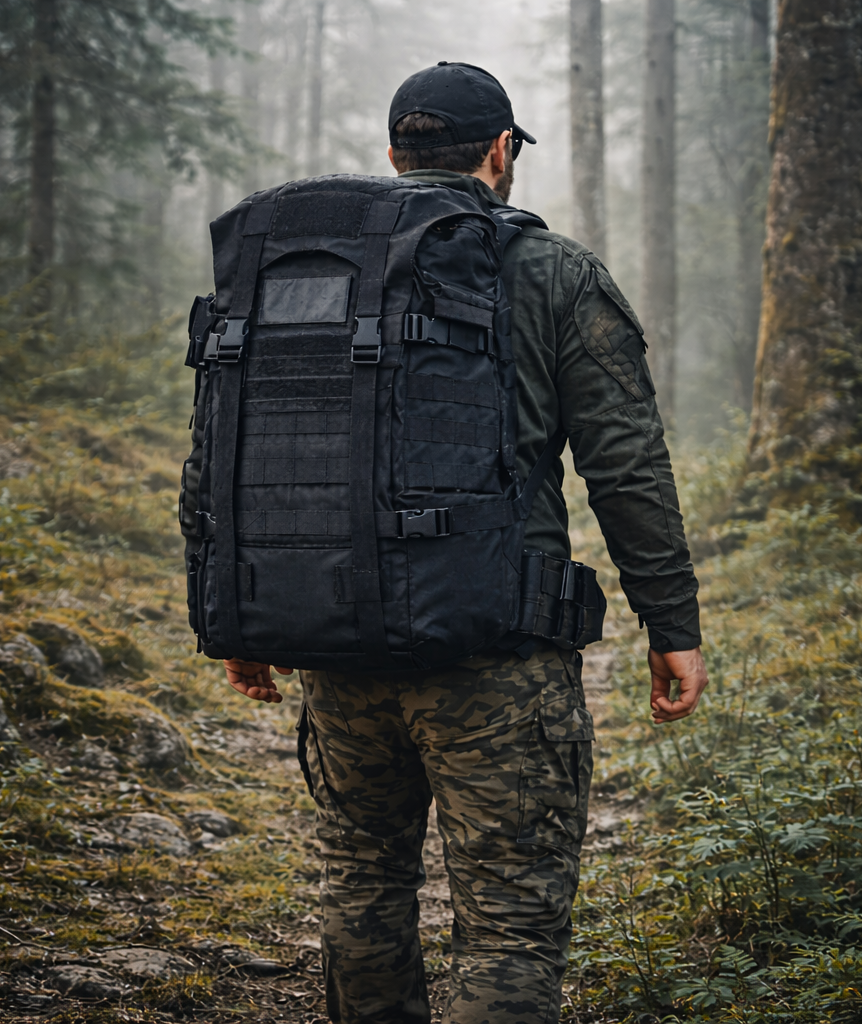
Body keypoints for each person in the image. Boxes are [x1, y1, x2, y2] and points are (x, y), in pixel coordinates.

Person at [222, 62, 708, 1024]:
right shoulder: (557, 273)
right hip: (501, 652)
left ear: (394, 154)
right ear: (500, 151)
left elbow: (234, 442)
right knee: (510, 922)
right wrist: (672, 622)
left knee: (362, 882)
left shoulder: (311, 270)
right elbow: (627, 467)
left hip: (338, 636)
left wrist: (242, 610)